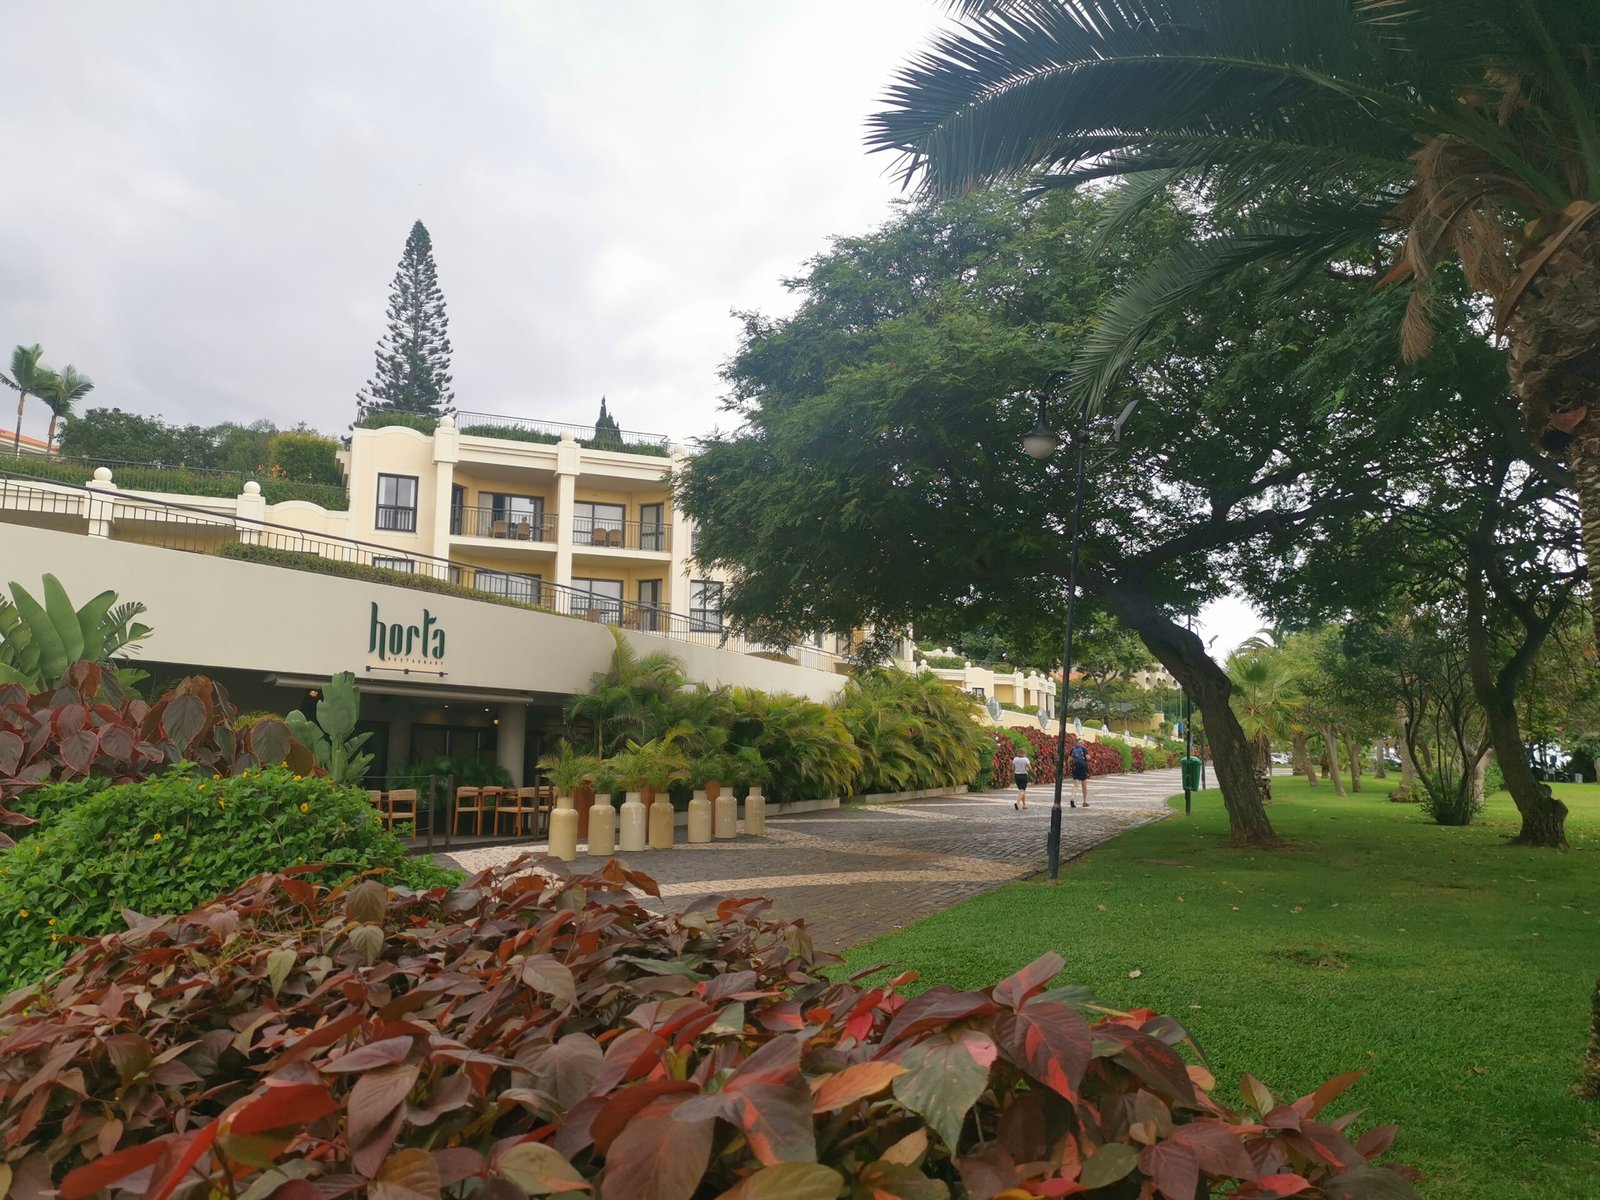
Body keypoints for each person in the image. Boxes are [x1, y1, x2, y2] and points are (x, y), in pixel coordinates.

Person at [1068, 741, 1090, 807]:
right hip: (1083, 768)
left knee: (1075, 785)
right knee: (1084, 786)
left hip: (1075, 768)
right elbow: (1088, 758)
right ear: (1083, 744)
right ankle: (1085, 802)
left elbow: (1069, 760)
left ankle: (1072, 798)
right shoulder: (1084, 749)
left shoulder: (1073, 749)